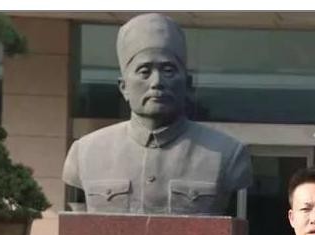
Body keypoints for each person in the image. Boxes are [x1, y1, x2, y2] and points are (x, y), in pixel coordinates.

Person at [62, 13, 252, 215]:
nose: (157, 82)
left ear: (188, 84)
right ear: (124, 87)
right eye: (144, 71)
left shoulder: (227, 154)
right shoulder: (85, 152)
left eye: (168, 70)